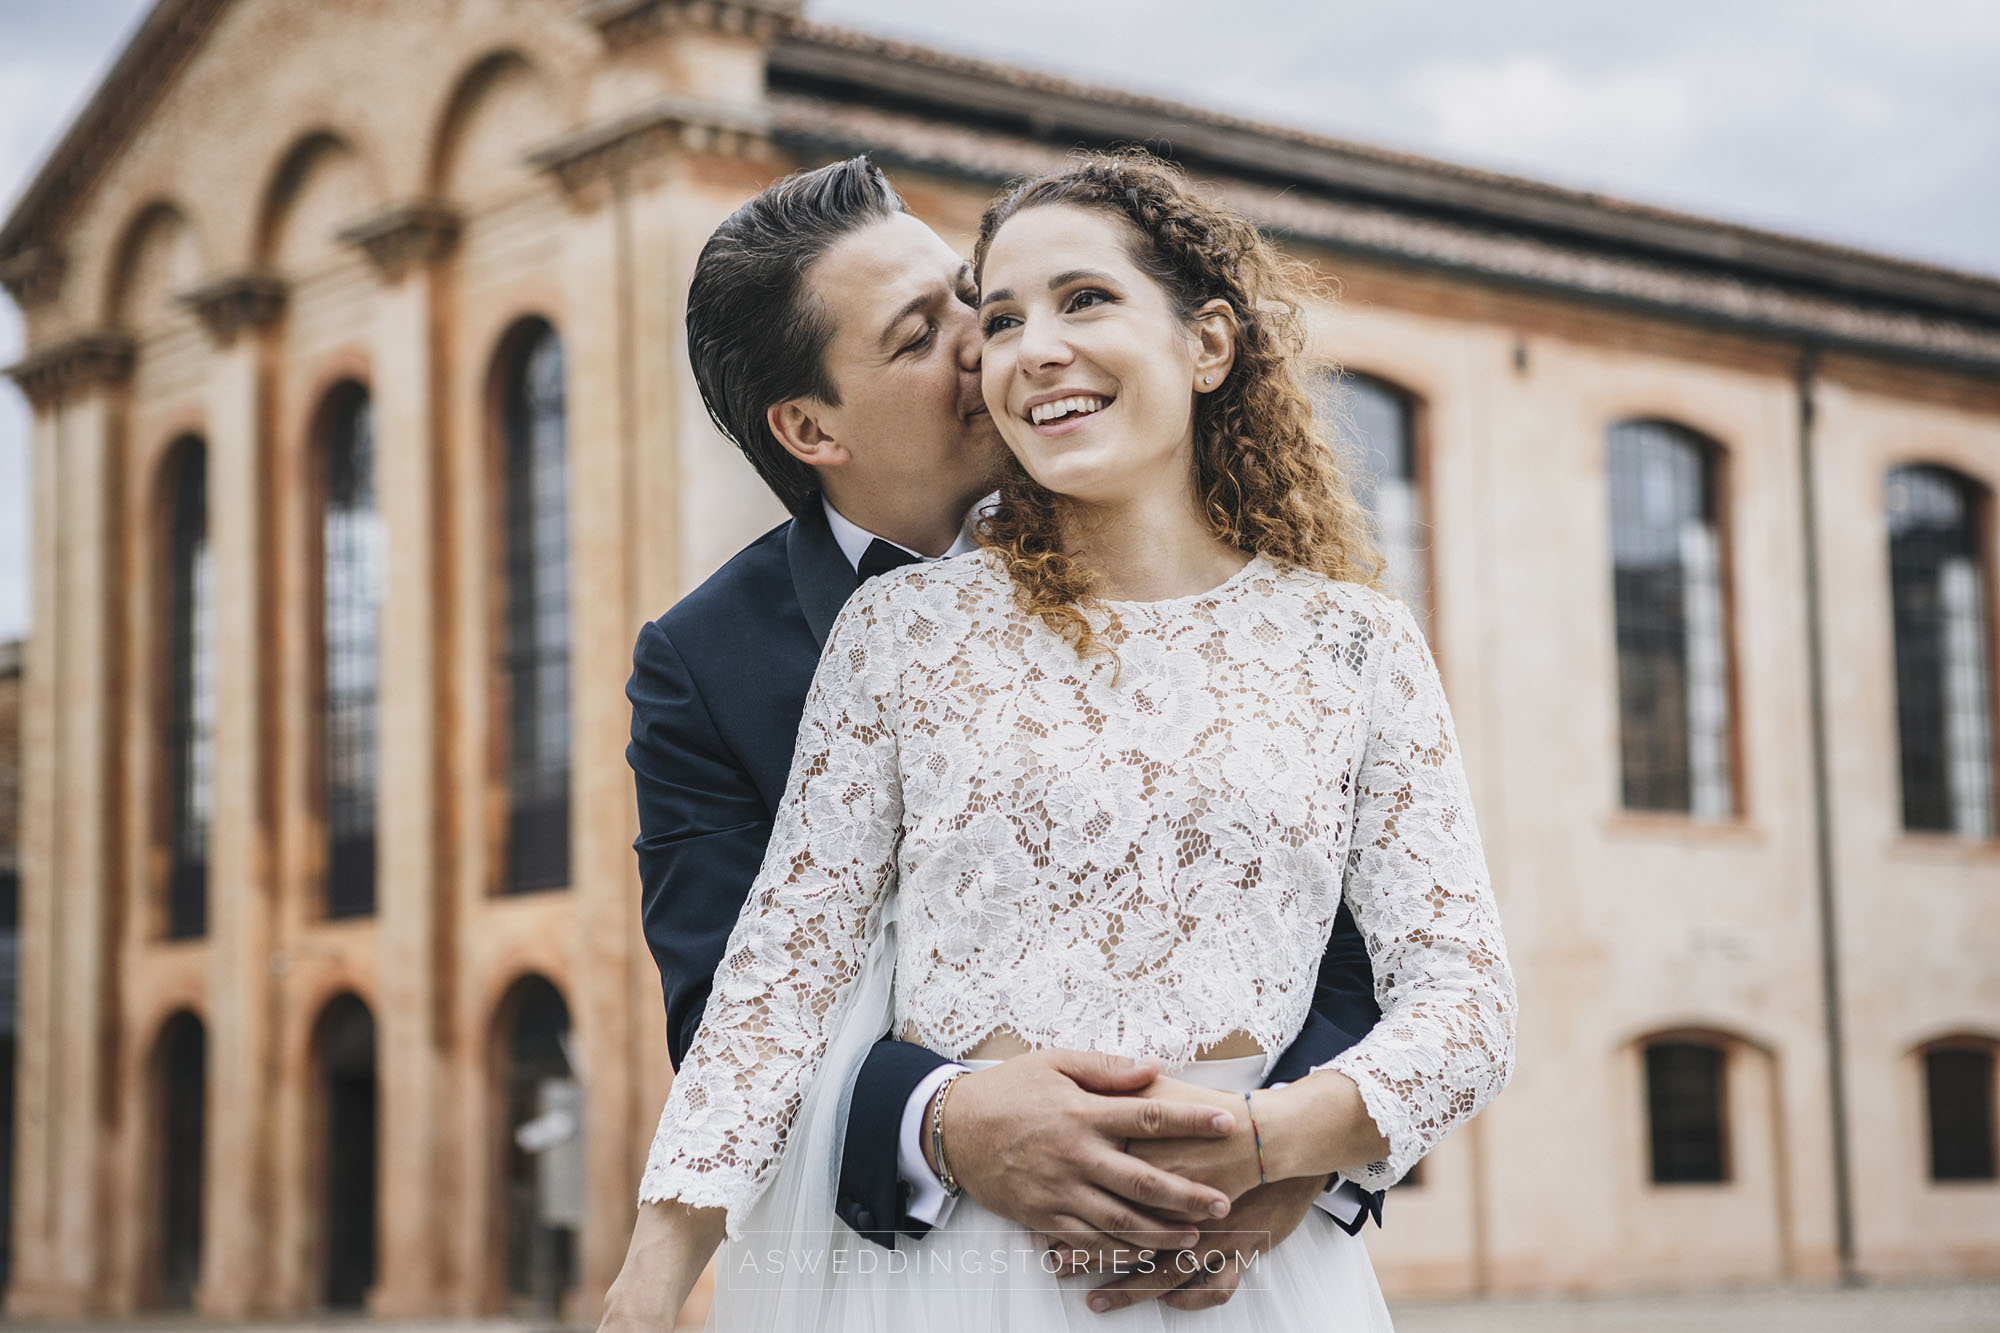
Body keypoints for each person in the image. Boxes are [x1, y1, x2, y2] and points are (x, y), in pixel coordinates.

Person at [613, 153, 1507, 1329]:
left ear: (1209, 344)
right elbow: (758, 997)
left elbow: (1431, 978)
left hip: (1253, 1262)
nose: (999, 352)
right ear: (808, 426)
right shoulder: (828, 643)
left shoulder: (1349, 639)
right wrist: (657, 1274)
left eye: (1058, 300)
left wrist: (1279, 1148)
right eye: (960, 325)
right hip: (955, 1265)